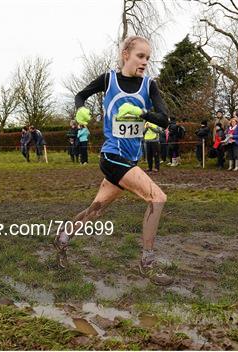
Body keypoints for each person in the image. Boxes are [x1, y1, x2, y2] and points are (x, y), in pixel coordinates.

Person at [58, 35, 172, 285]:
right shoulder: (109, 79)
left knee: (95, 210)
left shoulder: (149, 86)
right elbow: (81, 95)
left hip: (130, 160)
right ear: (126, 55)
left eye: (148, 58)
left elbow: (165, 119)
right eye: (140, 56)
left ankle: (64, 236)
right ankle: (148, 263)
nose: (144, 62)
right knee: (158, 198)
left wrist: (142, 112)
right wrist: (79, 110)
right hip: (112, 156)